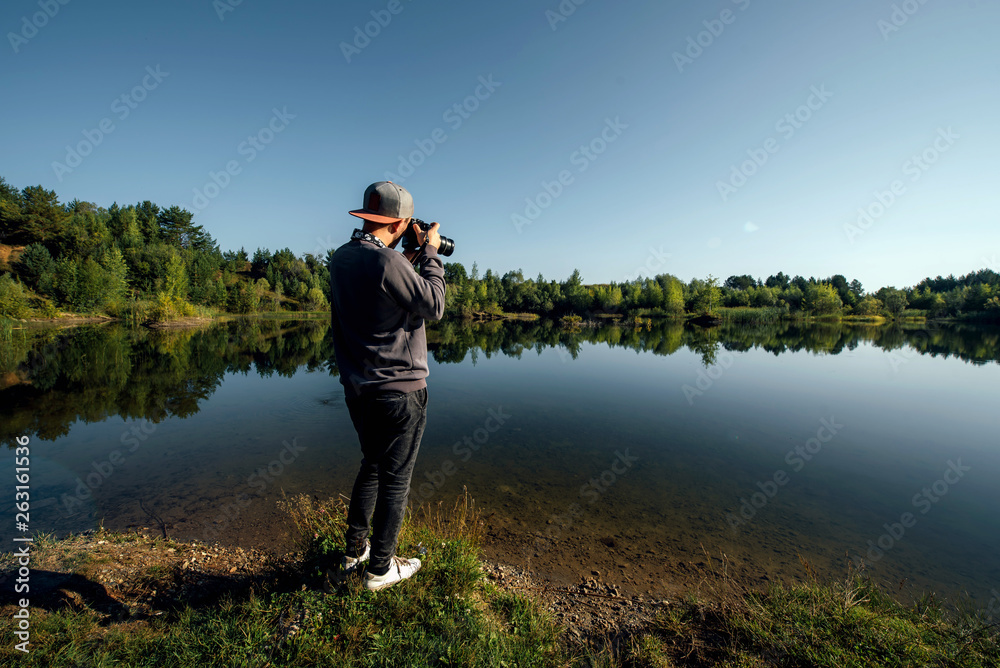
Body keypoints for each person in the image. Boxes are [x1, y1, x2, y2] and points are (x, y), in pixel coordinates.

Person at [328, 181, 446, 590]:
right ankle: (380, 569)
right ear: (399, 222)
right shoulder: (390, 265)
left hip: (358, 390)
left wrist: (407, 256)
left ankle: (353, 551)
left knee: (372, 466)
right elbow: (434, 304)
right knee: (396, 478)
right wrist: (429, 253)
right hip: (400, 392)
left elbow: (381, 286)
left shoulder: (342, 259)